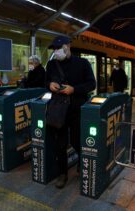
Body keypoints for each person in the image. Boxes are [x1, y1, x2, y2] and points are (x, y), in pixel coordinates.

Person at [46, 35, 96, 189]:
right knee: (60, 144)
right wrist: (49, 84)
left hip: (76, 109)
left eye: (59, 48)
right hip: (58, 109)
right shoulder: (51, 64)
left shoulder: (82, 63)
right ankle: (63, 174)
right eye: (54, 48)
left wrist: (74, 89)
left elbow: (91, 84)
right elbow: (45, 81)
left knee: (76, 140)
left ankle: (82, 162)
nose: (56, 51)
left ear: (68, 46)